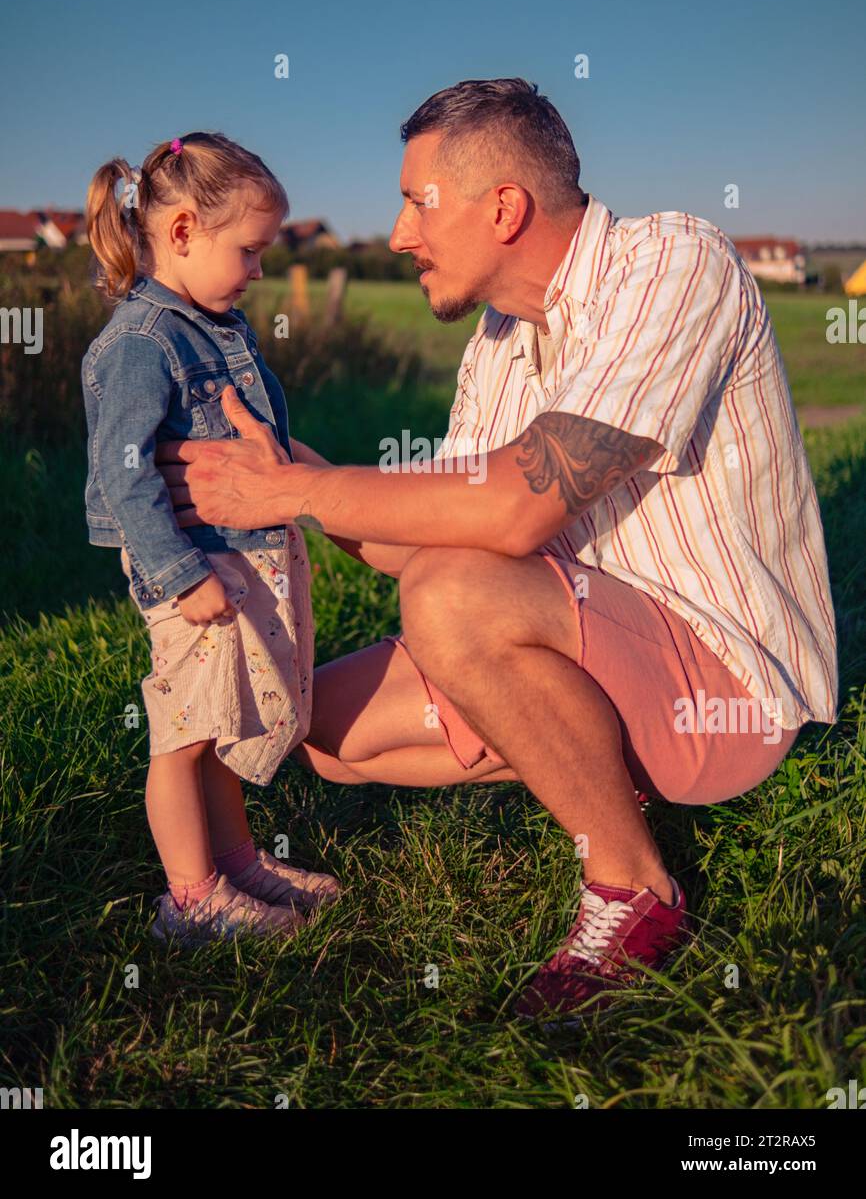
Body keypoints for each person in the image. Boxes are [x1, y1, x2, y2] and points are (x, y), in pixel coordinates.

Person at [157, 81, 838, 1016]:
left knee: (454, 597)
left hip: (723, 677)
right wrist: (296, 475)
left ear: (505, 207)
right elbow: (416, 543)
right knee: (321, 732)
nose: (400, 234)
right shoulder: (499, 342)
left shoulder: (677, 262)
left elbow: (516, 510)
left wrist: (297, 491)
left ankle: (632, 887)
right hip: (589, 634)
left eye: (417, 202)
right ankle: (587, 763)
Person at [81, 131, 340, 945]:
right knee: (184, 734)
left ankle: (238, 863)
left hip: (231, 556)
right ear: (185, 231)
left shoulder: (209, 322)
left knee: (222, 719)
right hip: (189, 567)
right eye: (251, 251)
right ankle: (190, 899)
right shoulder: (141, 341)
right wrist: (180, 573)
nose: (259, 271)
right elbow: (124, 475)